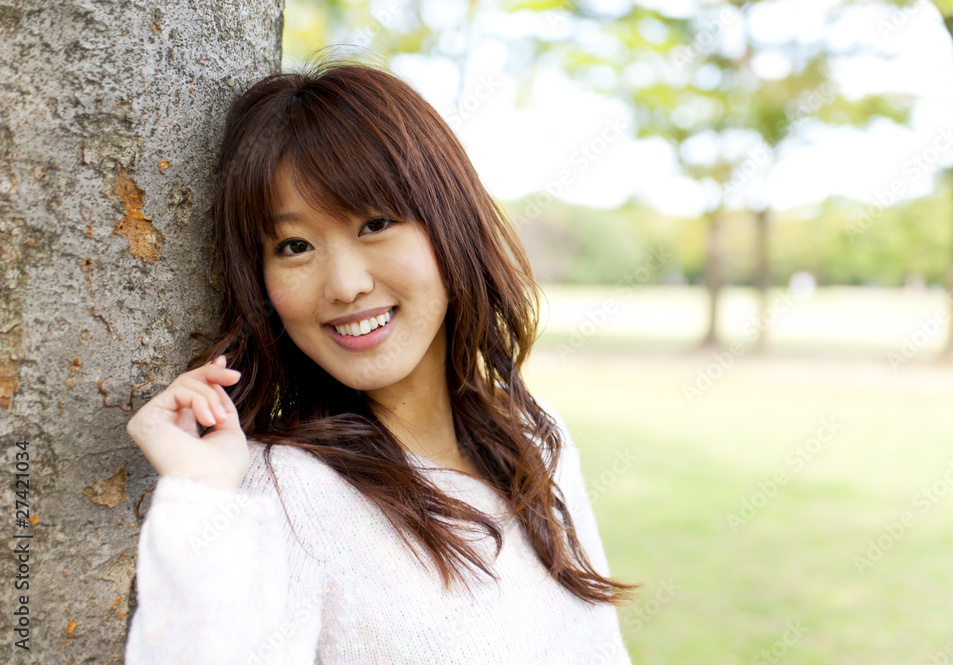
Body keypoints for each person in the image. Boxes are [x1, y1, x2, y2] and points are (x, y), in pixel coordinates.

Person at [123, 59, 638, 664]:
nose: (344, 284)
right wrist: (205, 493)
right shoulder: (285, 493)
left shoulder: (534, 436)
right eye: (295, 246)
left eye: (374, 223)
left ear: (451, 223)